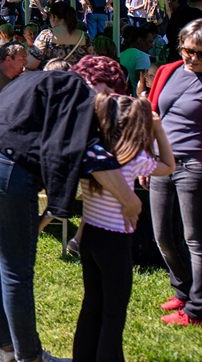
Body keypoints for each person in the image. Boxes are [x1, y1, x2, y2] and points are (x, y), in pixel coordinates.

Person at [0, 56, 143, 362]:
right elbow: (91, 154)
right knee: (16, 270)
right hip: (1, 163)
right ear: (97, 83)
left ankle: (4, 350)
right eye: (110, 94)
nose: (109, 105)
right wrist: (130, 200)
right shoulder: (79, 92)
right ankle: (29, 357)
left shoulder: (36, 79)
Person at [73, 94, 175, 362]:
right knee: (114, 312)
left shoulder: (93, 153)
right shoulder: (134, 158)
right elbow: (169, 166)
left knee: (91, 304)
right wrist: (159, 130)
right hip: (115, 241)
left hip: (90, 235)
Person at [147, 18, 202, 327]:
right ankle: (183, 290)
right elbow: (153, 113)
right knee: (163, 236)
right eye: (187, 50)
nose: (192, 57)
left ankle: (197, 310)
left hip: (194, 165)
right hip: (161, 162)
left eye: (199, 53)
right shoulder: (168, 71)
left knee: (195, 240)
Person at [26, 1, 93, 70]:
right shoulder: (85, 36)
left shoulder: (46, 35)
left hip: (53, 76)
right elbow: (92, 61)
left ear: (53, 17)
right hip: (76, 76)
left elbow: (31, 64)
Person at [119, 26, 155, 96]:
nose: (152, 45)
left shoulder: (121, 54)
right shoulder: (142, 56)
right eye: (150, 42)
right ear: (140, 40)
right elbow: (143, 81)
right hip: (136, 97)